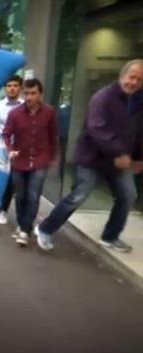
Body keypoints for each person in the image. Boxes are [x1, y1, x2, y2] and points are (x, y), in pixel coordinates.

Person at [35, 59, 143, 253]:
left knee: (128, 195)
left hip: (119, 161)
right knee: (79, 195)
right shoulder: (103, 97)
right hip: (92, 159)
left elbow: (139, 131)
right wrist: (118, 153)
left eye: (140, 79)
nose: (134, 82)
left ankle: (110, 237)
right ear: (122, 76)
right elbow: (97, 129)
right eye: (132, 77)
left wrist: (137, 157)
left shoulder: (139, 101)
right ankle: (45, 229)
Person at [2, 78, 57, 246]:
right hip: (20, 160)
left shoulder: (49, 112)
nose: (29, 97)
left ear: (40, 94)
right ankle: (22, 224)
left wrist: (53, 157)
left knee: (33, 197)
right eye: (26, 93)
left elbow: (53, 135)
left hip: (41, 160)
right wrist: (10, 149)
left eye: (33, 93)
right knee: (21, 196)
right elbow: (5, 134)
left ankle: (25, 231)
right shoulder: (15, 113)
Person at [0, 75, 24, 231]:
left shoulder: (24, 106)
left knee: (11, 183)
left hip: (19, 150)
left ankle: (3, 210)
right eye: (9, 85)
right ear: (5, 88)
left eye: (15, 85)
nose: (12, 88)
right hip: (0, 148)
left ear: (20, 88)